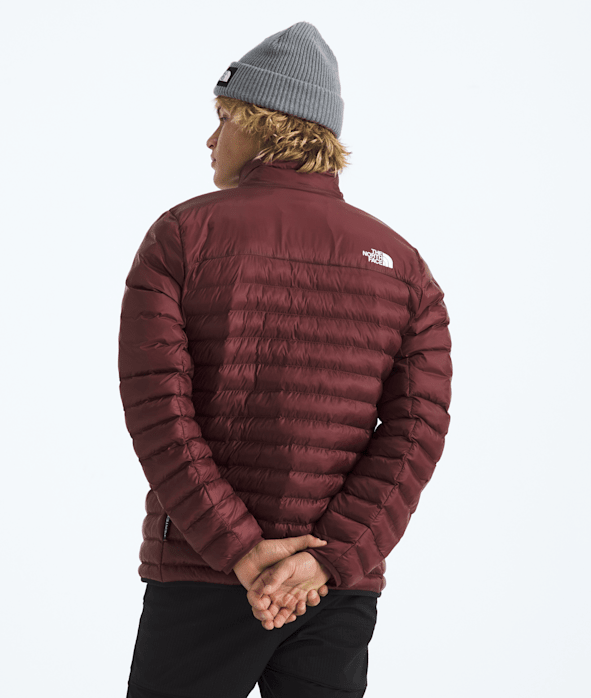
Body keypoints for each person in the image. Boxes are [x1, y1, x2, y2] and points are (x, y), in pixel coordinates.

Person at [118, 20, 453, 698]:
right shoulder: (404, 266)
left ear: (265, 123)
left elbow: (159, 413)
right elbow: (419, 432)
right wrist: (328, 561)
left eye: (224, 119)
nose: (211, 139)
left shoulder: (182, 236)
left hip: (205, 575)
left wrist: (239, 549)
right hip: (332, 589)